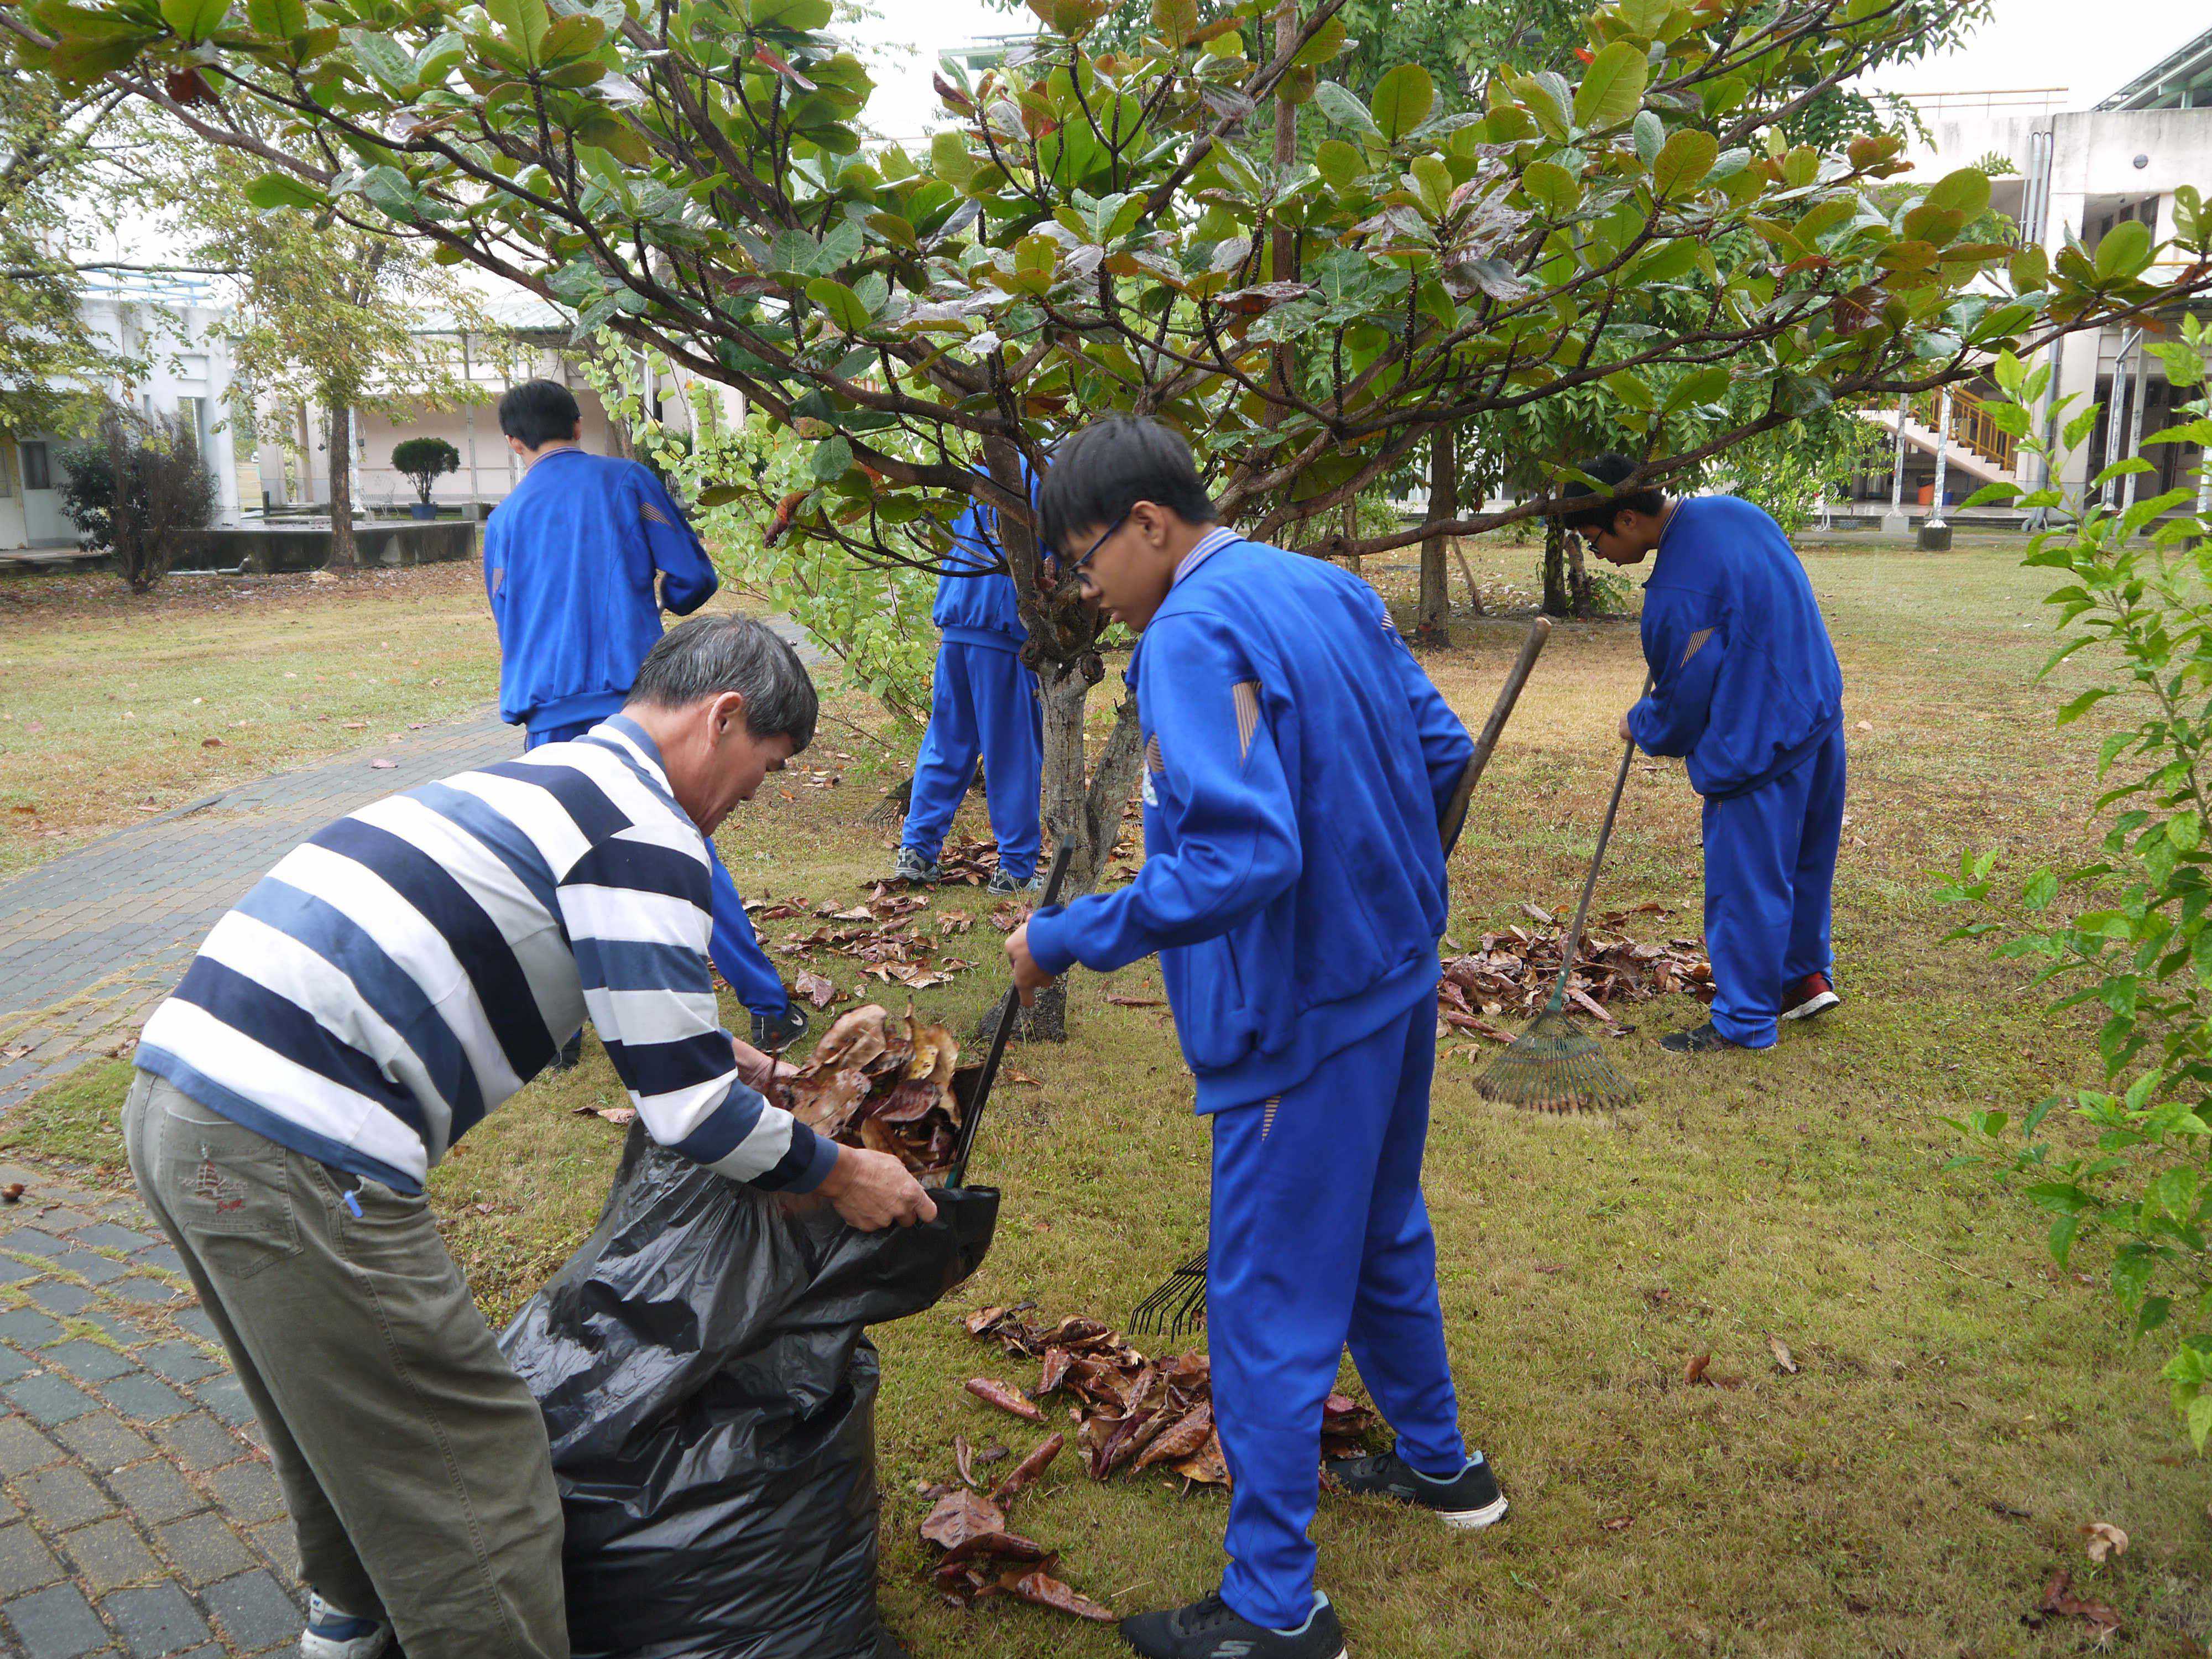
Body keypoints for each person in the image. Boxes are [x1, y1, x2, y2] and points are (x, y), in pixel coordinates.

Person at [124, 615, 936, 1659]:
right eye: (765, 771)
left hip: (180, 1100)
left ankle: (348, 1626)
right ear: (723, 717)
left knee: (325, 1409)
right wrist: (839, 1171)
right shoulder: (650, 834)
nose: (748, 799)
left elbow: (560, 962)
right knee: (476, 1465)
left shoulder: (558, 780)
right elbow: (687, 1117)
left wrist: (708, 1046)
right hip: (292, 1148)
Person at [1003, 417, 1504, 1659]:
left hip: (1300, 1016)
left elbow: (1244, 854)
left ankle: (1273, 1611)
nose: (1081, 590)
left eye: (1080, 560)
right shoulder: (1323, 584)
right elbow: (1444, 752)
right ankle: (1445, 1470)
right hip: (1390, 982)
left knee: (1269, 1305)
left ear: (1148, 528)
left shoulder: (1188, 632)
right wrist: (1382, 882)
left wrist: (1067, 935)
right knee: (1383, 1227)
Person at [484, 378, 805, 1058]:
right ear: (578, 425)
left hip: (545, 711)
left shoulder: (505, 519)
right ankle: (768, 1007)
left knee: (553, 863)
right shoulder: (627, 481)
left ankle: (561, 1035)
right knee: (683, 846)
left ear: (513, 443)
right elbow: (693, 576)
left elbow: (505, 613)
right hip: (634, 704)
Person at [1562, 452, 1847, 1053]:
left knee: (1747, 889)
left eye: (1594, 542)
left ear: (1629, 519)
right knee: (1804, 868)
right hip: (1817, 720)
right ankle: (1801, 980)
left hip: (1759, 747)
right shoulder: (1737, 514)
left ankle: (1744, 1023)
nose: (1601, 557)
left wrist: (1638, 723)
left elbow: (1684, 703)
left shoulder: (1676, 594)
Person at [891, 483, 1045, 895]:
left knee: (947, 744)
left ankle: (916, 853)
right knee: (1011, 753)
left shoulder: (979, 470)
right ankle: (1016, 869)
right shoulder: (1051, 468)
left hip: (956, 631)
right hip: (1003, 632)